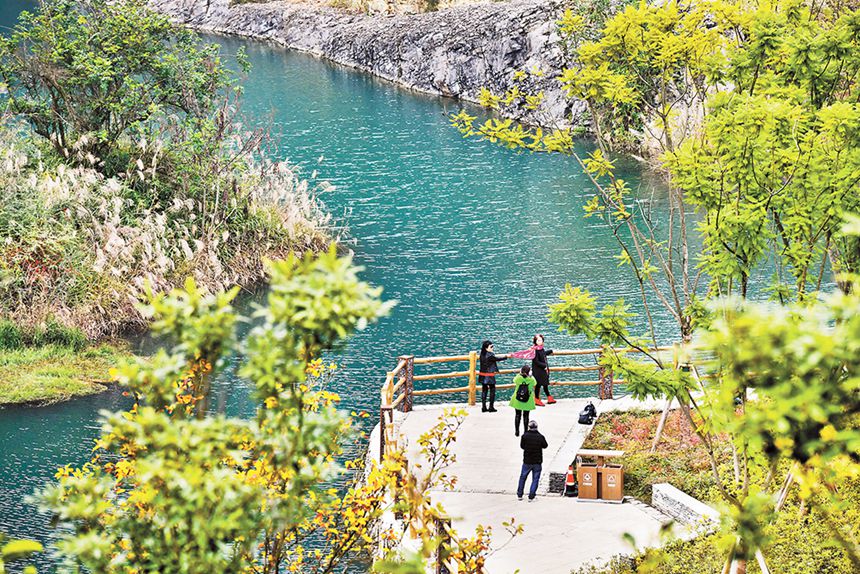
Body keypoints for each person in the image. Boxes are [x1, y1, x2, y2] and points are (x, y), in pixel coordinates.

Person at [510, 334, 555, 406]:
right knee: (538, 385)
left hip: (543, 370)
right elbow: (536, 361)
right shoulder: (534, 350)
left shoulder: (541, 348)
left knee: (545, 384)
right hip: (538, 370)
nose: (540, 341)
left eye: (541, 340)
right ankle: (537, 399)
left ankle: (549, 398)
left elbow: (543, 354)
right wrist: (544, 366)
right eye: (538, 340)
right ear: (535, 341)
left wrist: (549, 351)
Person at [517, 419, 548, 501]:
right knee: (535, 479)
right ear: (537, 427)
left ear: (529, 427)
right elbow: (545, 446)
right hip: (537, 461)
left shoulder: (524, 436)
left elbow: (522, 446)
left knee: (523, 477)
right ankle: (531, 496)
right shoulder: (540, 437)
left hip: (527, 461)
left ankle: (520, 494)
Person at [479, 340, 507, 412]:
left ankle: (484, 407)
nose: (492, 348)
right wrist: (506, 356)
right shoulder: (490, 355)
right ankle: (491, 407)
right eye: (491, 347)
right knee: (492, 390)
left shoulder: (482, 354)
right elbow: (497, 359)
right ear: (486, 348)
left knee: (484, 390)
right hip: (489, 376)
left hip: (482, 374)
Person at [509, 365, 536, 436]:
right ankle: (525, 431)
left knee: (517, 415)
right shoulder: (531, 380)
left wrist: (519, 373)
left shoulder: (518, 378)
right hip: (527, 400)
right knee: (526, 416)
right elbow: (535, 383)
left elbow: (514, 380)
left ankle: (517, 431)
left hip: (517, 399)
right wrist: (531, 376)